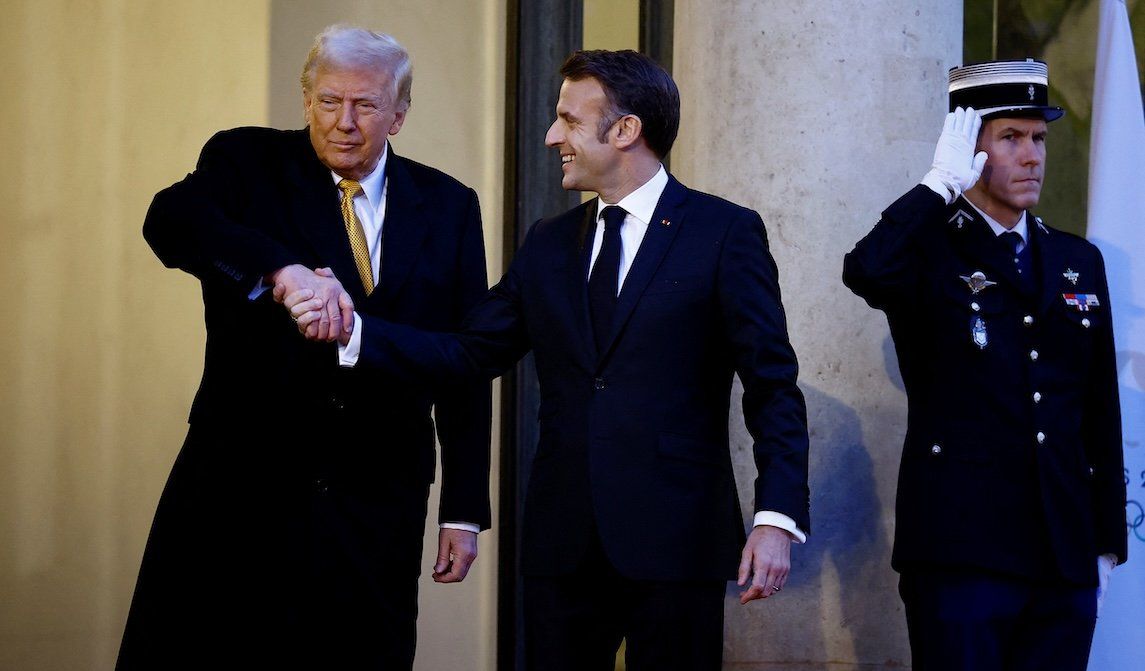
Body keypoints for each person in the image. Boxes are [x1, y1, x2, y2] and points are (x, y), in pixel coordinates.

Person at [288, 49, 810, 671]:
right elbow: (468, 351)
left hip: (676, 540)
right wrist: (355, 331)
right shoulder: (549, 243)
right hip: (561, 545)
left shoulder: (724, 232)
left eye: (568, 119)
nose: (551, 135)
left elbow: (772, 386)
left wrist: (776, 515)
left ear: (625, 131)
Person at [117, 25, 491, 670]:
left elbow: (463, 361)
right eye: (328, 102)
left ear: (399, 115)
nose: (344, 122)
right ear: (306, 101)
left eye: (366, 106)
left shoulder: (450, 205)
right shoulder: (246, 163)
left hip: (376, 499)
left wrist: (463, 508)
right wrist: (280, 273)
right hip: (243, 491)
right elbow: (169, 221)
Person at [843, 59, 1127, 671]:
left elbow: (1098, 405)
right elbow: (864, 270)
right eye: (1011, 138)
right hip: (962, 549)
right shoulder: (926, 247)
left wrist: (1104, 542)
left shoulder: (1076, 258)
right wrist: (936, 186)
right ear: (969, 149)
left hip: (1062, 551)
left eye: (1040, 138)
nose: (1032, 156)